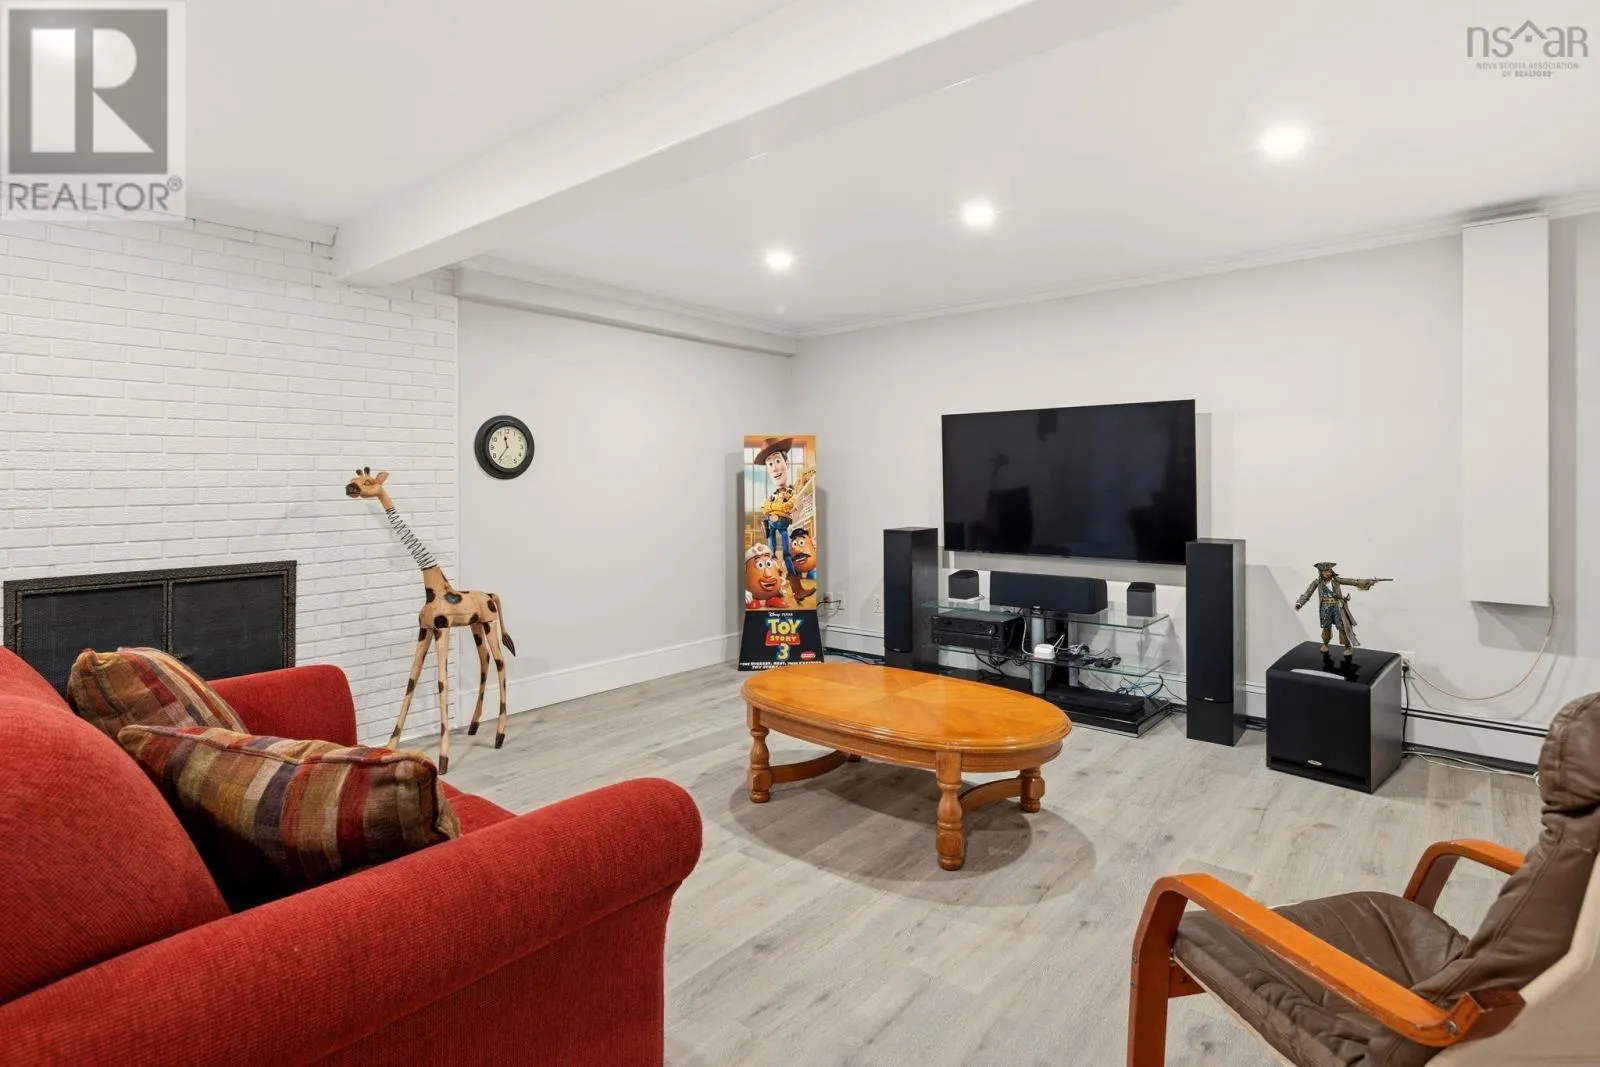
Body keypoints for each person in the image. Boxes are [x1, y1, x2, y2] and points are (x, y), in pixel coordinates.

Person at [1293, 562, 1388, 655]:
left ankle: (1347, 646)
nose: (1327, 573)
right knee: (1326, 627)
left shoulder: (1336, 580)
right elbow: (1308, 593)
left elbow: (1352, 581)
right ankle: (1325, 644)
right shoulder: (1317, 582)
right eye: (1325, 571)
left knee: (1342, 627)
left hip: (1337, 606)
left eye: (1329, 571)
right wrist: (1299, 603)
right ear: (1321, 572)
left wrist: (1367, 582)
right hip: (1325, 608)